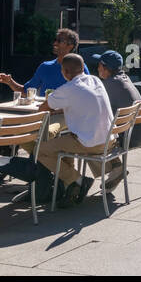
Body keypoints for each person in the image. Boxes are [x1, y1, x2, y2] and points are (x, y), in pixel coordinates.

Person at [36, 54, 115, 208]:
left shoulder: (69, 88)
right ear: (82, 67)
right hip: (108, 139)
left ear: (64, 71)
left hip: (90, 142)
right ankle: (70, 185)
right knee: (62, 142)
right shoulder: (95, 80)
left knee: (41, 150)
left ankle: (77, 180)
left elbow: (44, 107)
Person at [91, 49, 141, 192]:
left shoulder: (108, 84)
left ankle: (116, 168)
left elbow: (94, 107)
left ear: (106, 67)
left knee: (86, 139)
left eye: (99, 65)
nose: (97, 68)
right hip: (140, 133)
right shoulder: (124, 78)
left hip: (128, 136)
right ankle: (116, 168)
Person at [0, 27, 80, 97]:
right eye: (55, 40)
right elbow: (27, 92)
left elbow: (84, 93)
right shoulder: (45, 67)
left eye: (59, 41)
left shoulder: (79, 67)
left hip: (67, 113)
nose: (55, 43)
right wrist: (10, 82)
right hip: (46, 113)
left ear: (70, 46)